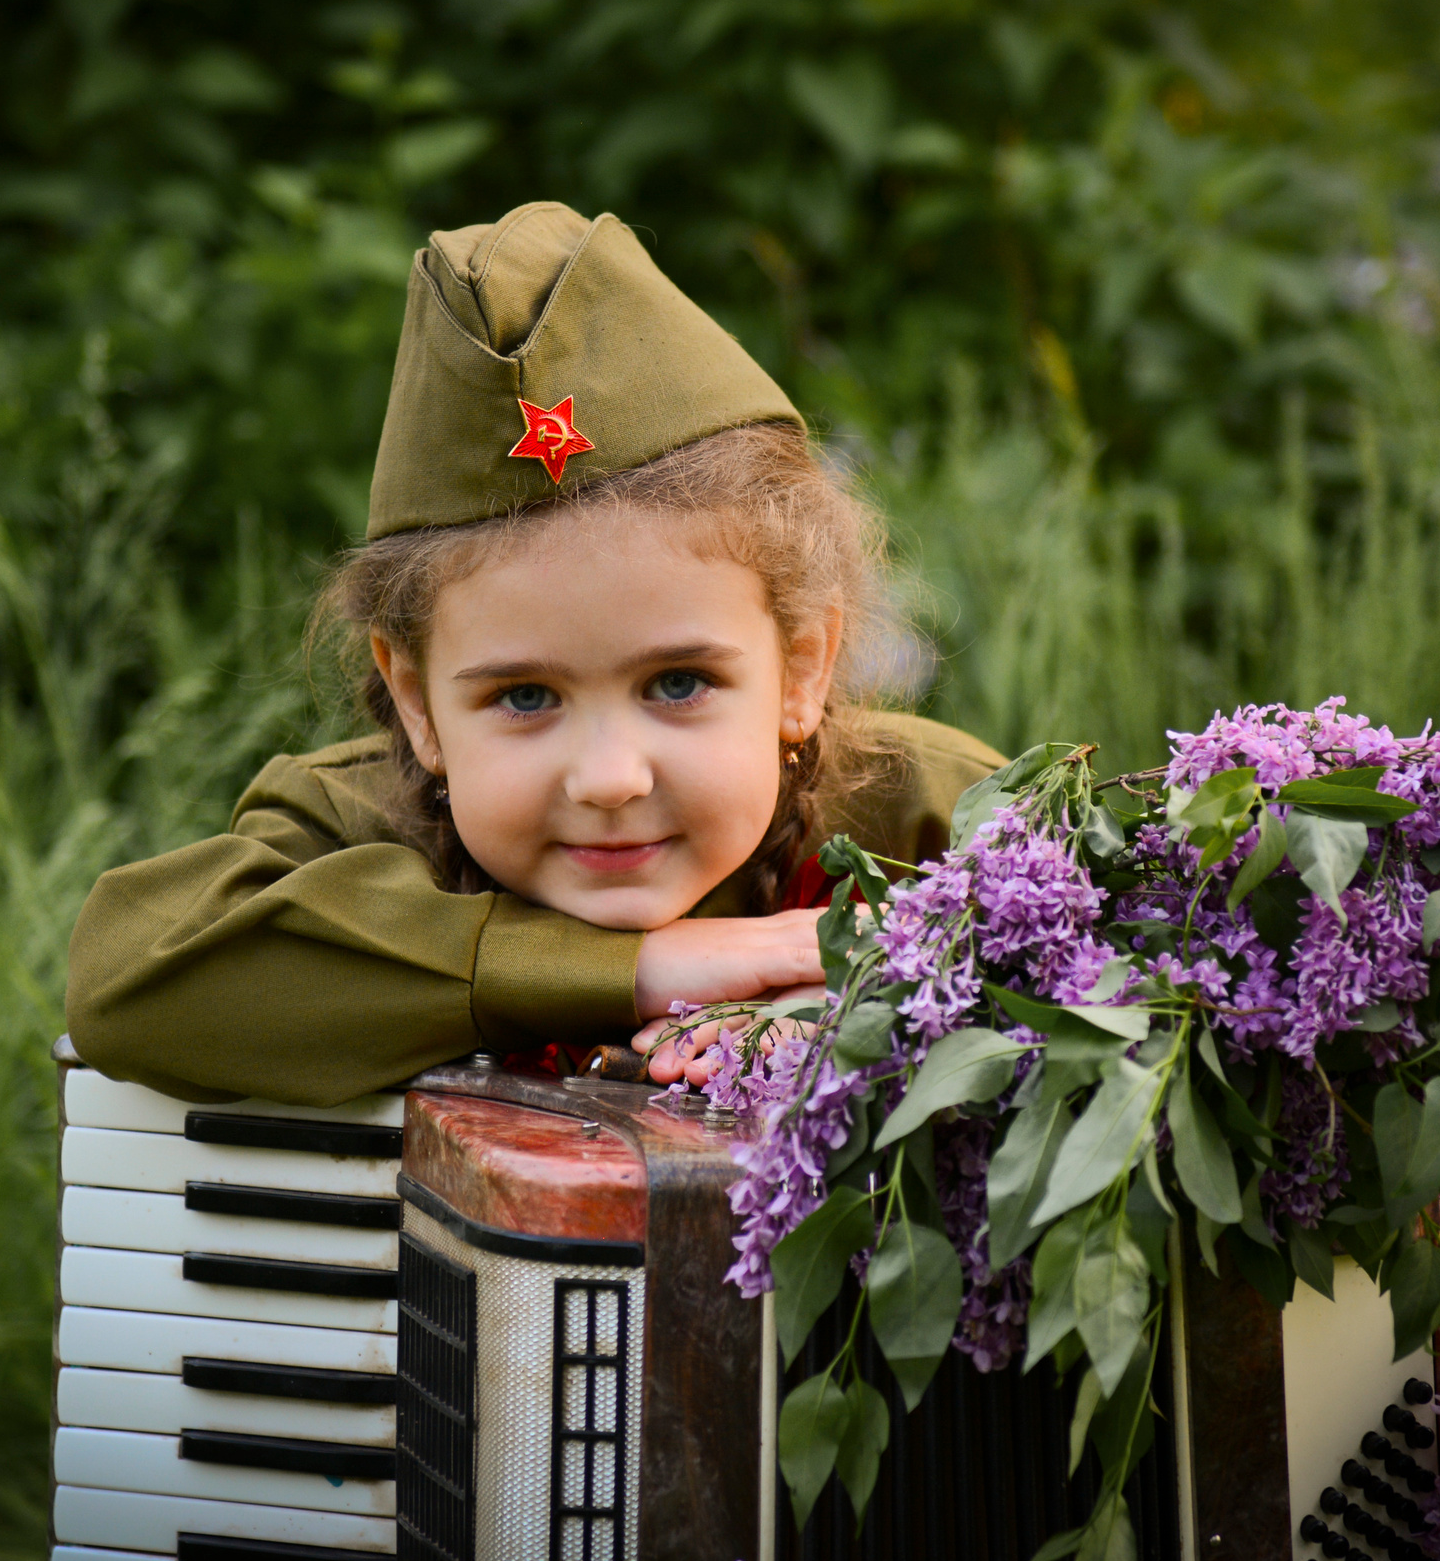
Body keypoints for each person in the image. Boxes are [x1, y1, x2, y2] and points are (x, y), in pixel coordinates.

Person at [64, 202, 1003, 1106]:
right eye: (523, 697)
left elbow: (1132, 969)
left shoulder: (937, 825)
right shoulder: (357, 830)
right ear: (418, 705)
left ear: (802, 667)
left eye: (678, 683)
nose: (607, 778)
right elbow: (130, 980)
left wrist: (885, 1012)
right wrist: (634, 970)